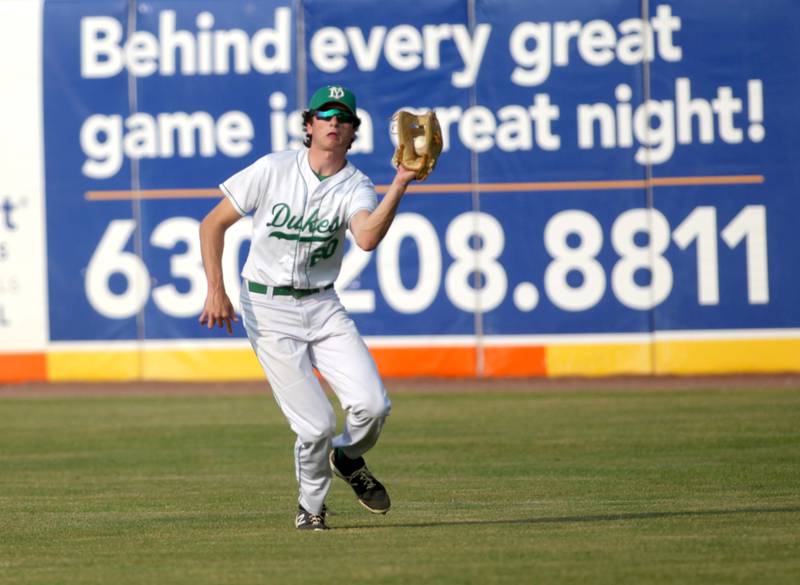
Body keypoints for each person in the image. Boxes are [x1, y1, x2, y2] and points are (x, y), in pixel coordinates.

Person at [198, 85, 418, 531]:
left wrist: (399, 183)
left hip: (322, 305)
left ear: (353, 131)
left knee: (373, 406)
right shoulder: (274, 168)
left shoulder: (356, 184)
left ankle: (348, 456)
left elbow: (368, 237)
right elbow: (212, 224)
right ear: (309, 124)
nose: (333, 123)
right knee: (315, 424)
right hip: (266, 305)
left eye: (343, 117)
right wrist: (215, 290)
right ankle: (311, 507)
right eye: (325, 115)